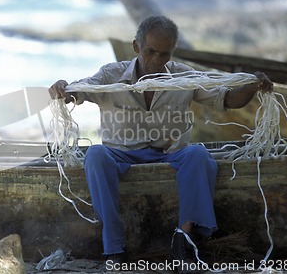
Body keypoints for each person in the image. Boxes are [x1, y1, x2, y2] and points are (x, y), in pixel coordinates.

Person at [49, 15, 272, 270]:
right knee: (95, 155)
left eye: (163, 55)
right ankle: (113, 247)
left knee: (199, 156)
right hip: (120, 153)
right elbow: (79, 90)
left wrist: (253, 85)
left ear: (171, 53)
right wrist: (63, 88)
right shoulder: (111, 74)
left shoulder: (184, 76)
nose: (156, 61)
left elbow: (229, 99)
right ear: (136, 47)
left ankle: (184, 239)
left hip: (170, 153)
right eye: (150, 52)